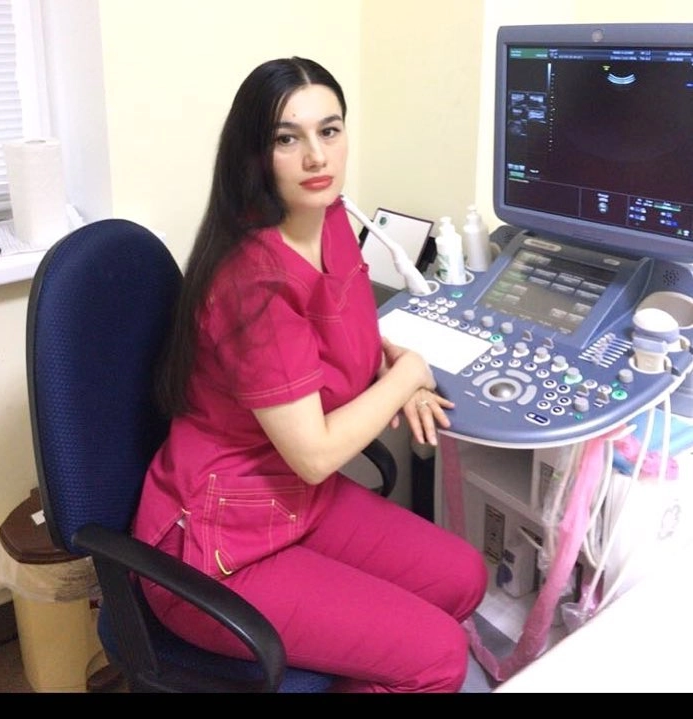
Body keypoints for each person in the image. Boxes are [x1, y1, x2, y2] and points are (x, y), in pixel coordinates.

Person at [132, 56, 487, 693]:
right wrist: (406, 379)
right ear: (254, 154)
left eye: (329, 130)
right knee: (439, 656)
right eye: (286, 138)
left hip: (294, 501)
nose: (316, 157)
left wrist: (392, 364)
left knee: (463, 579)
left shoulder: (329, 221)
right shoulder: (253, 286)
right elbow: (316, 455)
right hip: (217, 545)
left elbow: (340, 332)